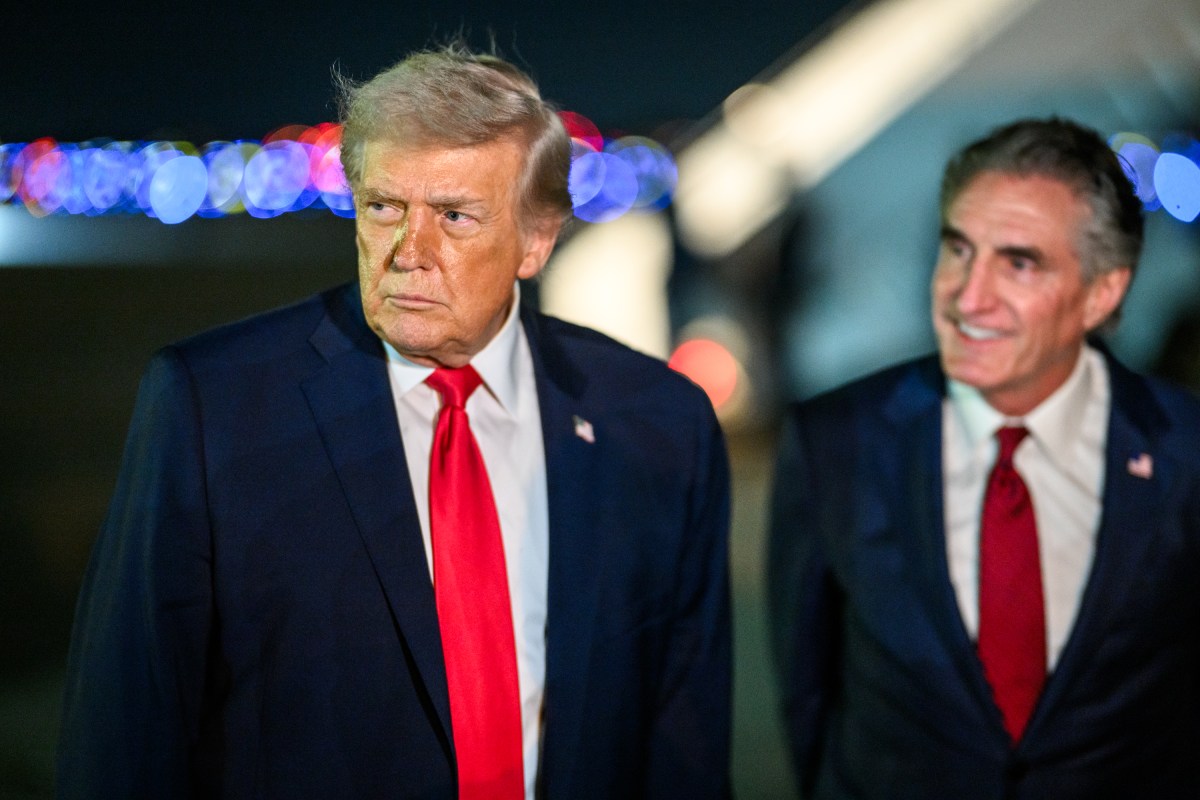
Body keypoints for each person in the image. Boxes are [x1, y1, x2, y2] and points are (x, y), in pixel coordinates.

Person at [57, 45, 732, 799]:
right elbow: (125, 735)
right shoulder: (212, 407)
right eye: (383, 207)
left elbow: (686, 744)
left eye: (454, 216)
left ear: (536, 240)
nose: (410, 253)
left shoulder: (659, 423)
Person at [768, 117, 1200, 798]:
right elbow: (809, 703)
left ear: (1102, 293)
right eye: (957, 250)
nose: (967, 297)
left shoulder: (1184, 454)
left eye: (1019, 263)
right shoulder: (836, 441)